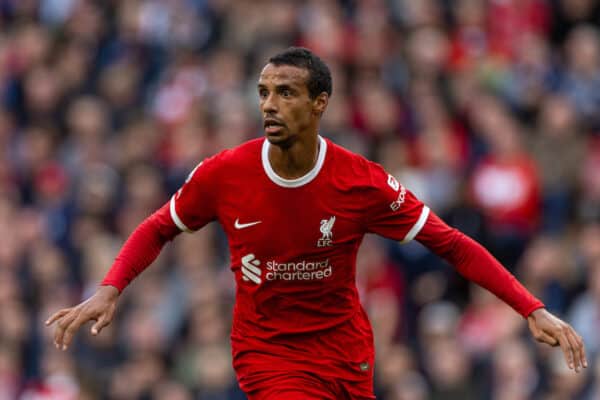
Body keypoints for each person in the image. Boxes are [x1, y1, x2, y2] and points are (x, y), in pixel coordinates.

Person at [46, 47, 587, 399]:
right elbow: (158, 227)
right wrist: (110, 288)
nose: (270, 105)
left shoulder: (361, 182)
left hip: (346, 353)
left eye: (286, 93)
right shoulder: (225, 174)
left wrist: (531, 307)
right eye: (263, 93)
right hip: (269, 353)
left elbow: (452, 245)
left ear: (319, 102)